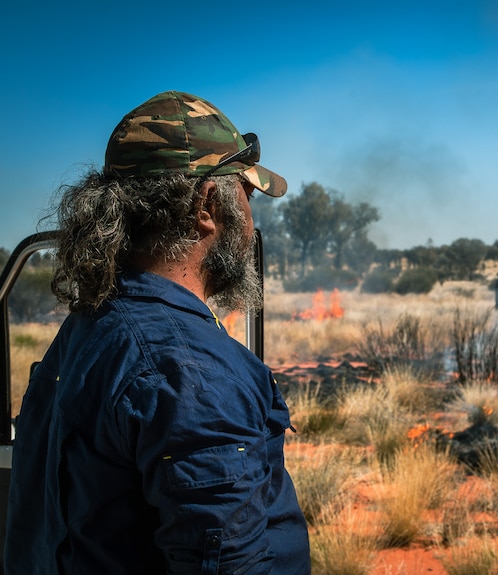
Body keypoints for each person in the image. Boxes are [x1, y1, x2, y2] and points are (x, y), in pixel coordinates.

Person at [4, 91, 311, 574]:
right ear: (207, 205)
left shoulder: (92, 323)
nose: (251, 222)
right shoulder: (191, 370)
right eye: (247, 196)